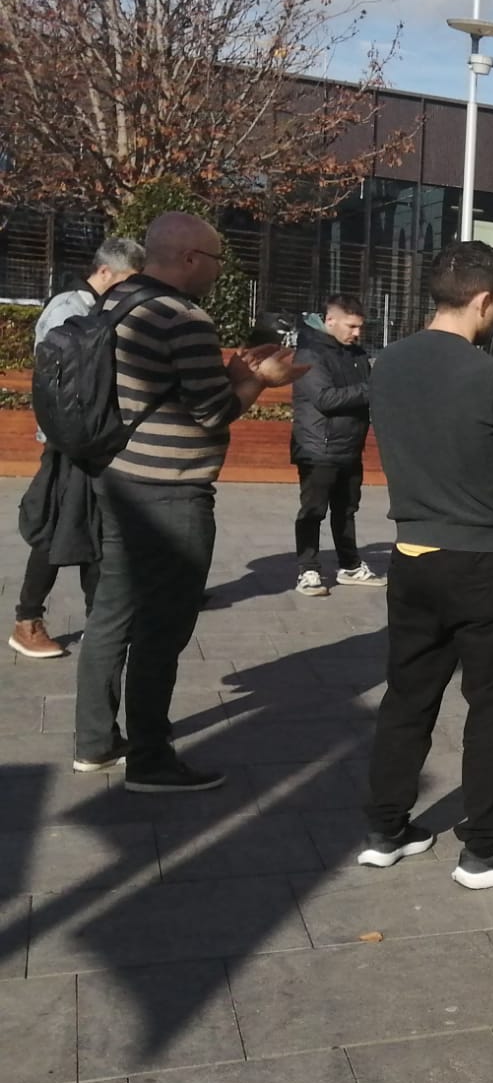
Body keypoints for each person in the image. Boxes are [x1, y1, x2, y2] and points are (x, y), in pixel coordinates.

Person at [72, 213, 305, 790]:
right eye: (219, 260)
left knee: (111, 614)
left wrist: (226, 372)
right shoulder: (183, 317)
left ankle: (95, 742)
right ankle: (151, 759)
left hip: (117, 477)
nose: (221, 273)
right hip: (171, 490)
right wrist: (260, 380)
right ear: (193, 260)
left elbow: (178, 387)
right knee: (163, 626)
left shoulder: (116, 303)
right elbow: (211, 414)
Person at [357, 241, 493, 888]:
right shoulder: (492, 375)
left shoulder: (386, 363)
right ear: (486, 299)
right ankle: (484, 847)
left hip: (412, 554)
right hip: (483, 560)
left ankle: (386, 830)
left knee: (408, 697)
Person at [11, 236, 144, 659]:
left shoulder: (97, 309)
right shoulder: (70, 310)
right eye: (125, 281)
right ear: (104, 272)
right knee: (59, 529)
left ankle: (99, 621)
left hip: (92, 443)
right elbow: (65, 385)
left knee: (95, 532)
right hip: (70, 445)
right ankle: (27, 620)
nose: (130, 292)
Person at [289, 294, 383, 598]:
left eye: (360, 327)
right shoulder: (309, 354)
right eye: (351, 326)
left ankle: (350, 565)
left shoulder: (355, 354)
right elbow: (325, 399)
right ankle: (309, 570)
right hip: (318, 447)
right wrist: (370, 389)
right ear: (330, 321)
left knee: (347, 509)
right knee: (313, 510)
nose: (356, 333)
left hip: (350, 447)